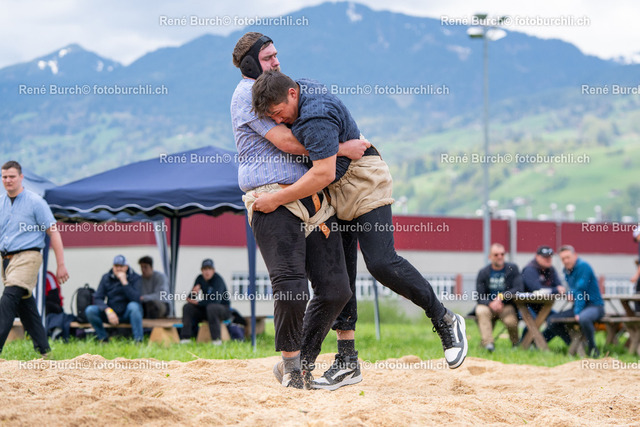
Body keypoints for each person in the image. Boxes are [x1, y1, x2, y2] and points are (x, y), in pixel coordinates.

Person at [251, 70, 468, 380]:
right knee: (343, 279)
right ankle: (346, 360)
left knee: (381, 262)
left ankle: (444, 318)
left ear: (292, 94)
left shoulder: (314, 116)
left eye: (278, 112)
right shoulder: (297, 91)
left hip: (362, 182)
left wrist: (275, 199)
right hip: (334, 192)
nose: (278, 121)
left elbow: (323, 173)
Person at [232, 32, 359, 389]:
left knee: (337, 289)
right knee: (291, 286)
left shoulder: (284, 89)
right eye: (268, 58)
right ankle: (292, 366)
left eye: (276, 55)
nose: (276, 62)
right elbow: (287, 142)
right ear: (250, 64)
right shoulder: (247, 94)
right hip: (271, 197)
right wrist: (341, 148)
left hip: (310, 196)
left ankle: (302, 359)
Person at [0, 160, 69, 356]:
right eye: (4, 177)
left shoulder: (35, 201)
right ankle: (44, 350)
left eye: (12, 176)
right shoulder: (1, 202)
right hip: (6, 259)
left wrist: (61, 264)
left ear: (21, 177)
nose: (8, 180)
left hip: (28, 256)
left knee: (9, 298)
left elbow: (53, 232)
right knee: (25, 304)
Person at [544, 245, 604, 357]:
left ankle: (592, 348)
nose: (566, 261)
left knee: (584, 318)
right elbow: (573, 289)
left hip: (594, 306)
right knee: (552, 320)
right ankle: (575, 344)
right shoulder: (567, 271)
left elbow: (580, 290)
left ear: (575, 256)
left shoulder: (583, 267)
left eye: (568, 257)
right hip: (579, 306)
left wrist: (577, 312)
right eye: (563, 259)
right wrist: (570, 294)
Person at [474, 243, 522, 352]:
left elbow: (519, 288)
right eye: (496, 255)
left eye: (502, 254)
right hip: (488, 306)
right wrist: (491, 303)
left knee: (511, 322)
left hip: (506, 305)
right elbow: (479, 296)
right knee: (480, 310)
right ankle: (488, 344)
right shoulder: (483, 272)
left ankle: (515, 344)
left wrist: (501, 297)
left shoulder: (512, 269)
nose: (500, 257)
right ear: (490, 257)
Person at [85, 254, 143, 342]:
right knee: (90, 310)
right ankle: (103, 339)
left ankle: (138, 341)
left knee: (134, 306)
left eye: (121, 266)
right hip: (111, 313)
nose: (118, 269)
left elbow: (137, 298)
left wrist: (125, 282)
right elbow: (98, 298)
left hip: (127, 313)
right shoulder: (106, 277)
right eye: (116, 266)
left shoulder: (135, 278)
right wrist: (108, 310)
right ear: (113, 266)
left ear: (126, 267)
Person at [520, 245, 566, 341]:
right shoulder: (529, 269)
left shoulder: (551, 270)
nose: (548, 259)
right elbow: (537, 290)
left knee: (556, 321)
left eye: (550, 257)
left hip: (543, 306)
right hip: (526, 306)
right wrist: (555, 290)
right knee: (534, 320)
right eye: (545, 257)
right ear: (537, 257)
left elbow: (561, 287)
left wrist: (553, 290)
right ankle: (525, 344)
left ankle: (539, 342)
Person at [181, 258, 231, 344]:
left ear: (213, 270)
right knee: (187, 307)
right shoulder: (200, 278)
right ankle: (186, 338)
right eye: (205, 269)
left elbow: (215, 301)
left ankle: (216, 340)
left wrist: (198, 303)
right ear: (202, 270)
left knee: (212, 307)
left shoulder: (218, 280)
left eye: (209, 269)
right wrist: (193, 293)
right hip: (207, 309)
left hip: (223, 310)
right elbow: (190, 299)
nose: (207, 272)